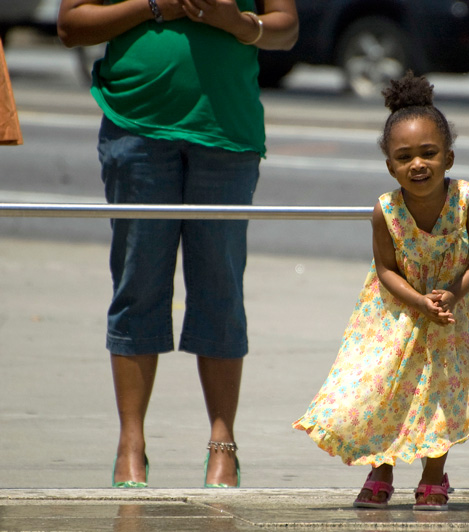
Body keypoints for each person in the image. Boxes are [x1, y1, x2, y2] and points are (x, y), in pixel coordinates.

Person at [56, 0, 298, 488]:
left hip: (226, 130)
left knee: (221, 288)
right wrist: (154, 7)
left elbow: (286, 28)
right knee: (137, 283)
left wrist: (238, 23)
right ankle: (131, 443)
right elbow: (70, 25)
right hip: (136, 125)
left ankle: (222, 443)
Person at [293, 72, 469, 510]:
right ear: (390, 165)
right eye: (405, 156)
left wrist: (451, 294)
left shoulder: (467, 198)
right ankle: (382, 468)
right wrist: (418, 301)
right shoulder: (385, 209)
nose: (418, 164)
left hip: (452, 311)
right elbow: (386, 269)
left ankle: (434, 477)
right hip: (393, 311)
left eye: (429, 153)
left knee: (441, 393)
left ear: (448, 157)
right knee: (384, 389)